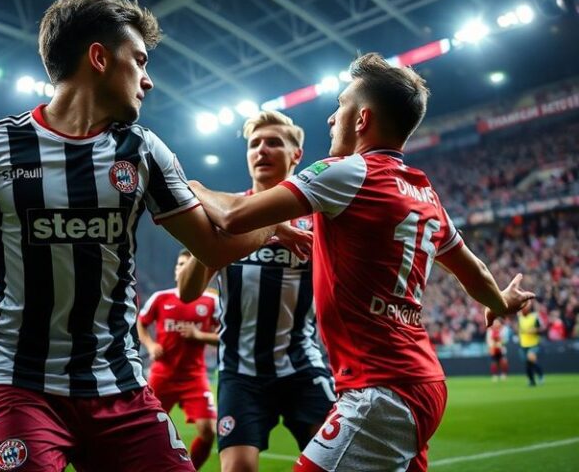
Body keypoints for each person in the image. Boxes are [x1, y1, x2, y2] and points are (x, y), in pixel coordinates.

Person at [0, 0, 310, 472]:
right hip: (18, 385)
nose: (148, 80)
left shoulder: (143, 152)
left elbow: (211, 246)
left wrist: (271, 219)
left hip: (119, 385)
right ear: (99, 58)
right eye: (140, 61)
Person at [184, 53, 534, 472]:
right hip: (422, 383)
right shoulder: (425, 193)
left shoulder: (344, 173)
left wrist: (192, 185)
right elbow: (474, 271)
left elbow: (232, 216)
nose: (331, 119)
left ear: (362, 120)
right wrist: (499, 302)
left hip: (380, 391)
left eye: (340, 107)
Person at [179, 110, 335, 472]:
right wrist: (212, 239)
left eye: (274, 142)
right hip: (240, 371)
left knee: (336, 462)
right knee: (238, 468)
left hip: (302, 365)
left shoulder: (319, 218)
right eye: (254, 144)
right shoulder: (226, 213)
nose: (261, 150)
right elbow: (187, 292)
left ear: (296, 155)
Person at [138, 249, 220, 470]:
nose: (184, 269)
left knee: (208, 431)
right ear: (176, 271)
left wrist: (200, 336)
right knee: (145, 430)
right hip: (162, 374)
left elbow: (227, 335)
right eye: (181, 264)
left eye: (188, 265)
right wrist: (151, 345)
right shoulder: (160, 298)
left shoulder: (212, 301)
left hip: (194, 376)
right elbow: (141, 323)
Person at [518, 300, 544, 386]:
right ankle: (531, 380)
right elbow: (518, 328)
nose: (523, 309)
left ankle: (540, 374)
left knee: (531, 358)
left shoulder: (534, 317)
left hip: (533, 343)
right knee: (528, 363)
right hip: (523, 344)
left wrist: (535, 330)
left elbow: (541, 328)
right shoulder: (520, 318)